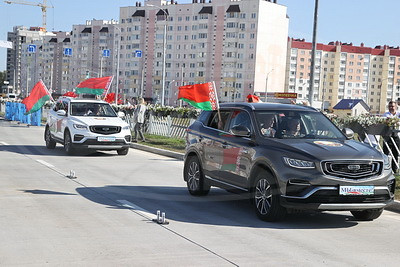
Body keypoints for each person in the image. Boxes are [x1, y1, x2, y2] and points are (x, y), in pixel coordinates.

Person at [383, 100, 400, 172]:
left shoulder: (399, 114)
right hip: (387, 136)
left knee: (395, 153)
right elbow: (387, 122)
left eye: (392, 106)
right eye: (389, 106)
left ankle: (394, 169)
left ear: (396, 107)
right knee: (385, 154)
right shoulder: (386, 114)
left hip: (397, 137)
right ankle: (385, 169)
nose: (391, 108)